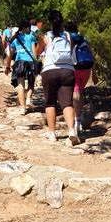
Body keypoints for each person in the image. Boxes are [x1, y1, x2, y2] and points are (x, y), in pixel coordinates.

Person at [36, 10, 78, 144]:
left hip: (50, 70)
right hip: (67, 70)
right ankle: (71, 131)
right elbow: (71, 51)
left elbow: (38, 52)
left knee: (50, 103)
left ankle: (52, 133)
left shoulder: (46, 36)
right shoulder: (68, 36)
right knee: (67, 103)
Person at [65, 21, 95, 133]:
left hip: (76, 67)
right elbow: (91, 54)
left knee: (75, 93)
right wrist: (94, 72)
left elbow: (68, 52)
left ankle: (76, 122)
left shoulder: (69, 38)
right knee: (80, 92)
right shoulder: (84, 38)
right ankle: (78, 118)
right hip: (87, 67)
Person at [4, 20, 38, 115]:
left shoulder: (15, 38)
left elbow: (10, 54)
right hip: (30, 62)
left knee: (20, 86)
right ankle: (28, 99)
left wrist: (7, 66)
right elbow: (34, 52)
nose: (30, 29)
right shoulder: (31, 36)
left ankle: (23, 108)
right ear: (25, 28)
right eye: (29, 28)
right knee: (31, 83)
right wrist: (36, 62)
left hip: (19, 62)